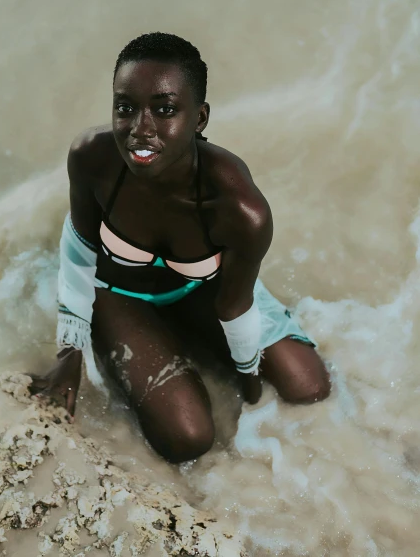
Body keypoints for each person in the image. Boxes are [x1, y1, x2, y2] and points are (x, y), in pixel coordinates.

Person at [30, 33, 330, 463]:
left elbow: (235, 306)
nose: (140, 129)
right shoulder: (93, 158)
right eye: (125, 107)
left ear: (200, 117)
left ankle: (189, 337)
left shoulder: (239, 209)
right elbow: (78, 254)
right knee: (188, 440)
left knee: (309, 388)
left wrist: (251, 392)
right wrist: (69, 351)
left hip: (200, 292)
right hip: (119, 295)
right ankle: (151, 341)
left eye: (164, 109)